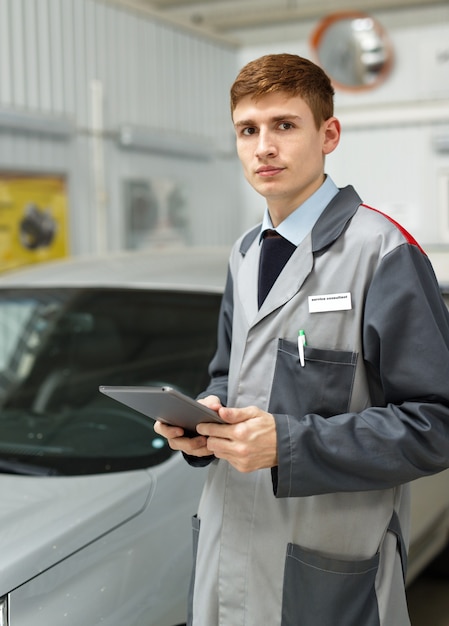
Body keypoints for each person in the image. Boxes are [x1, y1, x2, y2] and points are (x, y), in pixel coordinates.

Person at [154, 53, 449, 626]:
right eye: (248, 130)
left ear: (328, 133)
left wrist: (289, 445)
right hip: (230, 540)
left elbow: (437, 423)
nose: (264, 146)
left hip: (329, 559)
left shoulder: (384, 253)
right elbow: (229, 373)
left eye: (284, 126)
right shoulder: (244, 254)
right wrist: (206, 417)